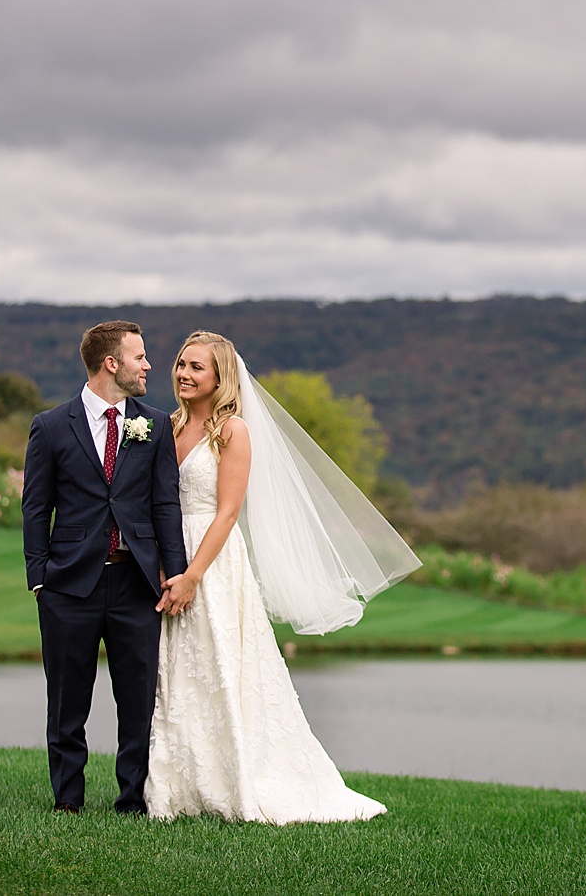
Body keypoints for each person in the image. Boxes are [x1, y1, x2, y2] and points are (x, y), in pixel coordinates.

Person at [145, 330, 420, 823]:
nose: (184, 374)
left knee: (221, 662)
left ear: (219, 378)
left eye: (196, 368)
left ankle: (239, 779)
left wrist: (192, 576)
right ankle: (178, 785)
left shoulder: (233, 432)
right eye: (181, 364)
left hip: (213, 562)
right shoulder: (167, 426)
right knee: (178, 670)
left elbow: (227, 513)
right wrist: (165, 563)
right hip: (170, 552)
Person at [20, 321, 190, 814]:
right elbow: (36, 508)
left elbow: (165, 504)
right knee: (67, 702)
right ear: (111, 363)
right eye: (140, 357)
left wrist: (174, 571)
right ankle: (67, 801)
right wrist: (39, 578)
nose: (149, 365)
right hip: (69, 585)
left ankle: (131, 800)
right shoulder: (50, 426)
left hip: (137, 583)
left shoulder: (155, 425)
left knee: (137, 702)